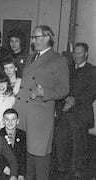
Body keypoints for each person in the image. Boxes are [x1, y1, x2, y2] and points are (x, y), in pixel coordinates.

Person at [13, 25, 69, 180]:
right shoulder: (31, 57)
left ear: (47, 38)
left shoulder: (58, 60)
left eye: (36, 37)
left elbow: (64, 89)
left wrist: (45, 92)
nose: (33, 41)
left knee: (40, 156)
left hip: (40, 115)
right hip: (24, 112)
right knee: (27, 156)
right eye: (33, 37)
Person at [55, 42, 96, 179]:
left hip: (80, 114)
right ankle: (61, 168)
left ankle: (77, 171)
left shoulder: (93, 71)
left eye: (79, 53)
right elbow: (61, 87)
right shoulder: (68, 69)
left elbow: (91, 93)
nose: (76, 56)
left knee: (79, 144)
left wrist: (73, 101)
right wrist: (64, 101)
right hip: (64, 113)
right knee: (61, 141)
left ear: (86, 54)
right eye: (75, 53)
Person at [0, 109, 27, 180]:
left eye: (13, 119)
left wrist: (21, 173)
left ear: (17, 121)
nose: (10, 122)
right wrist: (3, 167)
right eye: (7, 119)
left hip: (17, 172)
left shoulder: (22, 135)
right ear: (3, 121)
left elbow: (23, 155)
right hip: (2, 170)